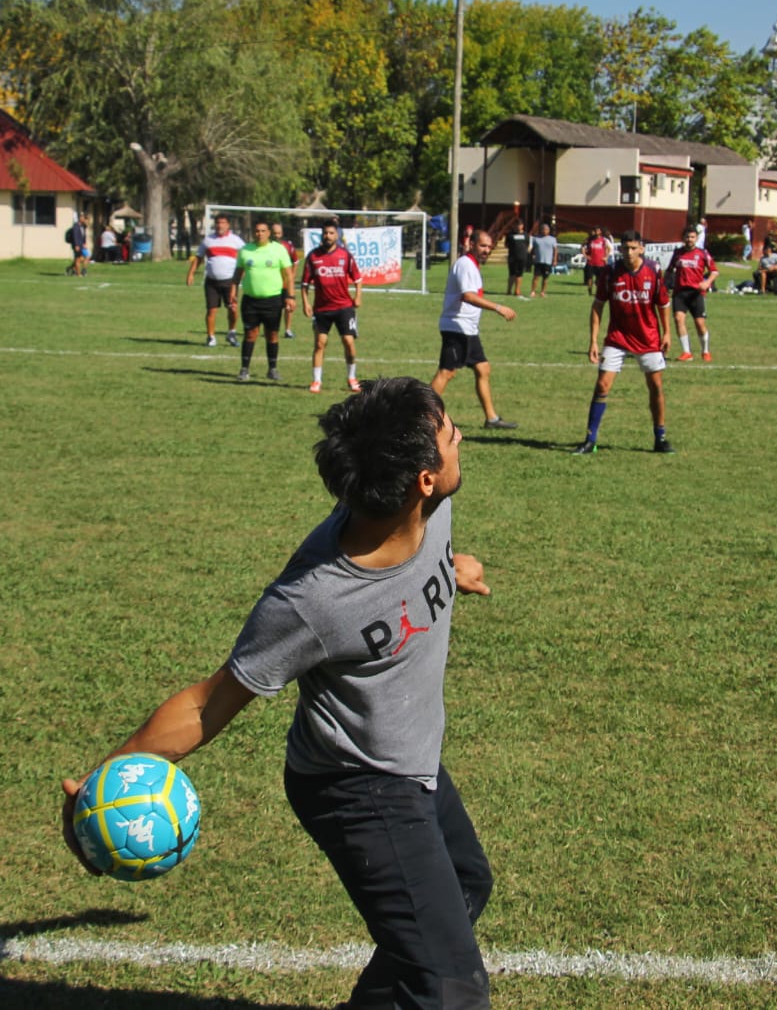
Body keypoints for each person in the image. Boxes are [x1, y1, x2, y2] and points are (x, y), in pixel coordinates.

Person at [60, 378, 496, 1010]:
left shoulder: (425, 508)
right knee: (451, 989)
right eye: (449, 433)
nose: (458, 436)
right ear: (422, 479)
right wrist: (100, 790)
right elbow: (205, 705)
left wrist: (452, 569)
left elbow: (413, 573)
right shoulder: (313, 599)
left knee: (463, 884)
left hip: (412, 756)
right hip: (356, 785)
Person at [572, 230, 673, 455]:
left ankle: (660, 437)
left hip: (648, 339)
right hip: (617, 339)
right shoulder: (610, 273)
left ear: (642, 249)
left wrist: (667, 333)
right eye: (624, 248)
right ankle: (590, 440)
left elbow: (663, 304)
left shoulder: (654, 271)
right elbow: (598, 306)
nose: (628, 253)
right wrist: (594, 341)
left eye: (633, 248)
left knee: (655, 386)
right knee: (602, 385)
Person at [431, 229, 517, 429]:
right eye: (482, 246)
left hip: (468, 329)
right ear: (471, 244)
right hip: (456, 327)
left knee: (483, 368)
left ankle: (492, 419)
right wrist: (498, 307)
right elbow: (468, 296)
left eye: (489, 246)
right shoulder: (465, 265)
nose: (486, 250)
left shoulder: (473, 266)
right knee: (447, 372)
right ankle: (419, 416)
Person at [301, 218, 364, 394]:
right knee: (320, 343)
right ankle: (316, 381)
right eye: (325, 233)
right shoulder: (313, 256)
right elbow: (305, 284)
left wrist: (358, 296)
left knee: (349, 342)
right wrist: (305, 303)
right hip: (321, 308)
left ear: (337, 235)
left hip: (344, 306)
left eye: (331, 233)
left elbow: (358, 279)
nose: (328, 236)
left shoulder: (345, 255)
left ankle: (352, 378)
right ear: (321, 235)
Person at [232, 221, 294, 382]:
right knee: (250, 334)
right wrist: (233, 293)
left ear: (269, 233)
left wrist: (290, 296)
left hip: (273, 300)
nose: (260, 233)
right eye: (257, 231)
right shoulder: (245, 250)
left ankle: (272, 369)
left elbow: (289, 275)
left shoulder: (278, 249)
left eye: (263, 231)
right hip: (250, 300)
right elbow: (237, 275)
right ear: (253, 232)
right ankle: (244, 369)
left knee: (272, 334)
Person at [186, 214, 244, 347]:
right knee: (211, 310)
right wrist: (191, 274)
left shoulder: (235, 240)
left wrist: (243, 273)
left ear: (228, 225)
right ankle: (211, 337)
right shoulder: (208, 240)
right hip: (211, 282)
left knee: (233, 309)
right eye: (218, 222)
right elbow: (198, 258)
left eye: (223, 222)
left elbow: (246, 255)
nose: (220, 225)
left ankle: (232, 333)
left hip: (229, 282)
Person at [667, 224, 717, 361]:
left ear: (696, 238)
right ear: (683, 238)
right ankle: (686, 352)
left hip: (696, 293)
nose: (689, 239)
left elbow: (714, 271)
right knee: (678, 319)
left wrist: (707, 283)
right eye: (687, 236)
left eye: (692, 237)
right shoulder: (678, 253)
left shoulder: (702, 253)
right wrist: (665, 285)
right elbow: (670, 270)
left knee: (699, 323)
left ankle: (705, 351)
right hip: (680, 293)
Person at [271, 221, 298, 338]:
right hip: (272, 284)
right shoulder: (266, 247)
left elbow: (296, 261)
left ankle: (287, 329)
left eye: (279, 233)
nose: (276, 235)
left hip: (286, 283)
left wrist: (292, 276)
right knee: (274, 309)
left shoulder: (288, 246)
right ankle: (273, 329)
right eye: (274, 233)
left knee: (288, 306)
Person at [529, 221, 558, 297]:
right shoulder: (536, 238)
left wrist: (554, 260)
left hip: (547, 261)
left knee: (545, 278)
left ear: (548, 231)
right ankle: (533, 291)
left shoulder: (553, 239)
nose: (544, 231)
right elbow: (532, 249)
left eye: (546, 229)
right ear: (541, 230)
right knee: (536, 277)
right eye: (543, 229)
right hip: (538, 261)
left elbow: (555, 250)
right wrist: (532, 256)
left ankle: (543, 292)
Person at [504, 215, 529, 298]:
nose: (519, 226)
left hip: (522, 257)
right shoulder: (510, 234)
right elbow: (506, 245)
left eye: (520, 224)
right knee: (512, 274)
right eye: (517, 224)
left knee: (519, 274)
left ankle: (517, 291)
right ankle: (509, 290)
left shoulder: (525, 235)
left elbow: (527, 244)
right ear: (514, 225)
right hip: (512, 257)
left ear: (522, 226)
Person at [581, 226, 611, 293]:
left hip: (600, 263)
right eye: (595, 230)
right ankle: (590, 289)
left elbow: (609, 248)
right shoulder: (590, 240)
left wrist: (606, 257)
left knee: (599, 279)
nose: (596, 231)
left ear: (600, 231)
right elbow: (582, 246)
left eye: (597, 230)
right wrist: (585, 255)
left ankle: (598, 291)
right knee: (589, 277)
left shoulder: (604, 240)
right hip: (591, 262)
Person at [66, 213, 91, 277]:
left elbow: (83, 236)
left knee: (87, 257)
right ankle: (78, 273)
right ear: (80, 218)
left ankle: (79, 269)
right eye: (84, 218)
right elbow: (75, 236)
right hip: (77, 245)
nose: (86, 220)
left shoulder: (83, 226)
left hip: (82, 245)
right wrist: (76, 245)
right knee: (78, 259)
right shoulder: (76, 226)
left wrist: (84, 243)